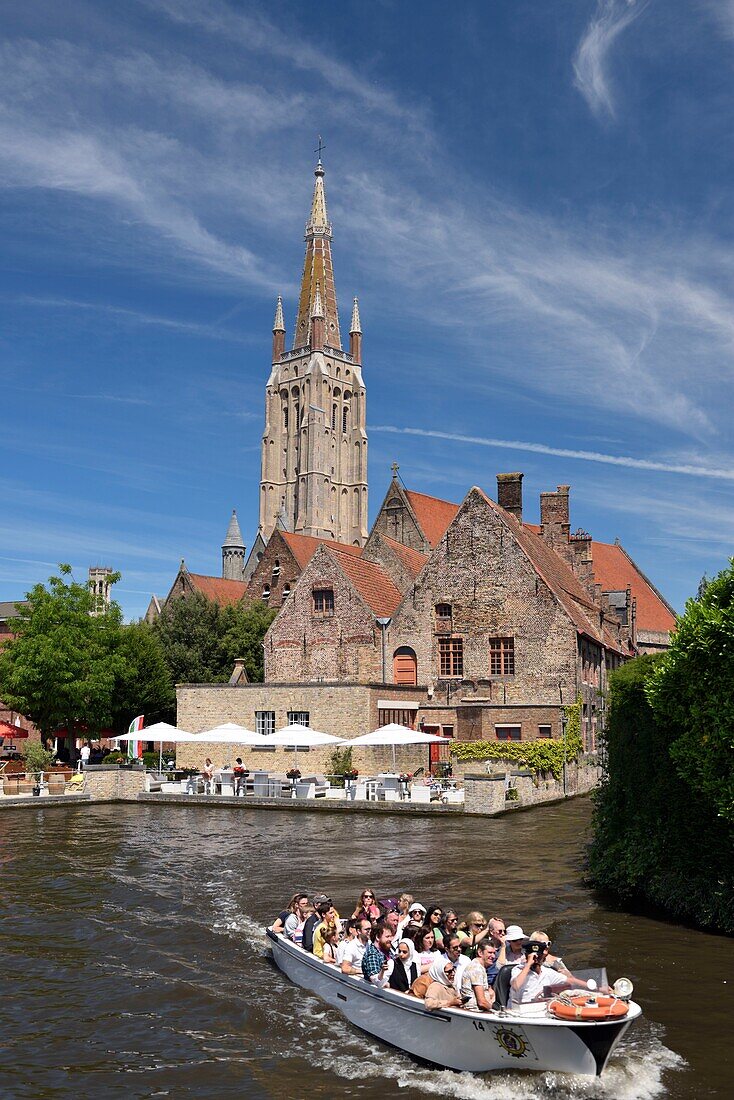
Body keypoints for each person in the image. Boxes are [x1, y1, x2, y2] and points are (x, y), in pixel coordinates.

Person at [510, 938, 600, 1007]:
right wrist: (529, 964)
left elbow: (571, 981)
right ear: (526, 956)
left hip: (539, 1010)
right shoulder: (518, 970)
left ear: (543, 957)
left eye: (539, 956)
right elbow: (516, 985)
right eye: (533, 957)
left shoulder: (547, 972)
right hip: (519, 1011)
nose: (536, 959)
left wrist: (597, 988)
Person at [459, 940, 496, 1012]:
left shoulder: (479, 967)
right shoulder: (476, 969)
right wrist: (497, 1011)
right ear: (480, 952)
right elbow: (481, 1002)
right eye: (490, 953)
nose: (493, 956)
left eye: (494, 953)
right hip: (474, 1012)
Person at [361, 921, 394, 987]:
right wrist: (382, 971)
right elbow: (376, 980)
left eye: (391, 936)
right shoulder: (372, 953)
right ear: (377, 937)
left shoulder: (387, 949)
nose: (390, 939)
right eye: (387, 936)